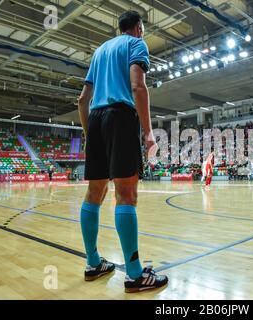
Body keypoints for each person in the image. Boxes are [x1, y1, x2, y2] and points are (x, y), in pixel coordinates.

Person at [77, 10, 167, 293]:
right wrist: (149, 133)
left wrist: (89, 132)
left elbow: (82, 99)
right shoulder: (135, 44)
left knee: (95, 193)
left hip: (95, 118)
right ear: (138, 28)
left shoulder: (100, 51)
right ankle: (135, 274)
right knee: (126, 194)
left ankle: (93, 263)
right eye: (142, 29)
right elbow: (138, 86)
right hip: (120, 116)